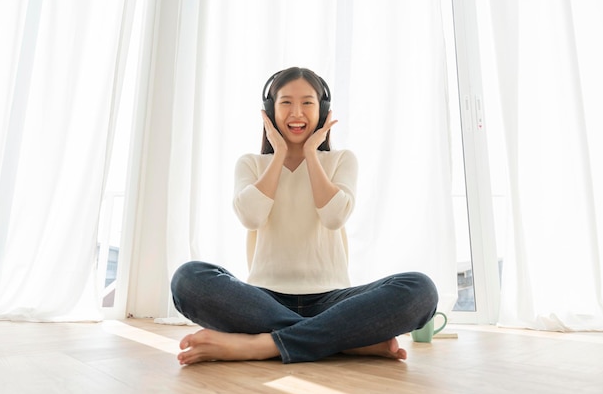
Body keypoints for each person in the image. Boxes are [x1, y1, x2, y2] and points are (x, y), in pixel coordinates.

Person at [170, 67, 439, 365]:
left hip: (333, 301)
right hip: (263, 300)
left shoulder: (341, 160)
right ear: (271, 110)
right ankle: (344, 341)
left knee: (420, 290)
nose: (296, 112)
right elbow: (252, 218)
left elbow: (334, 217)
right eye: (286, 102)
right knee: (188, 278)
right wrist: (279, 154)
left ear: (322, 110)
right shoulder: (251, 164)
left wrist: (312, 153)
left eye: (307, 103)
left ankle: (263, 345)